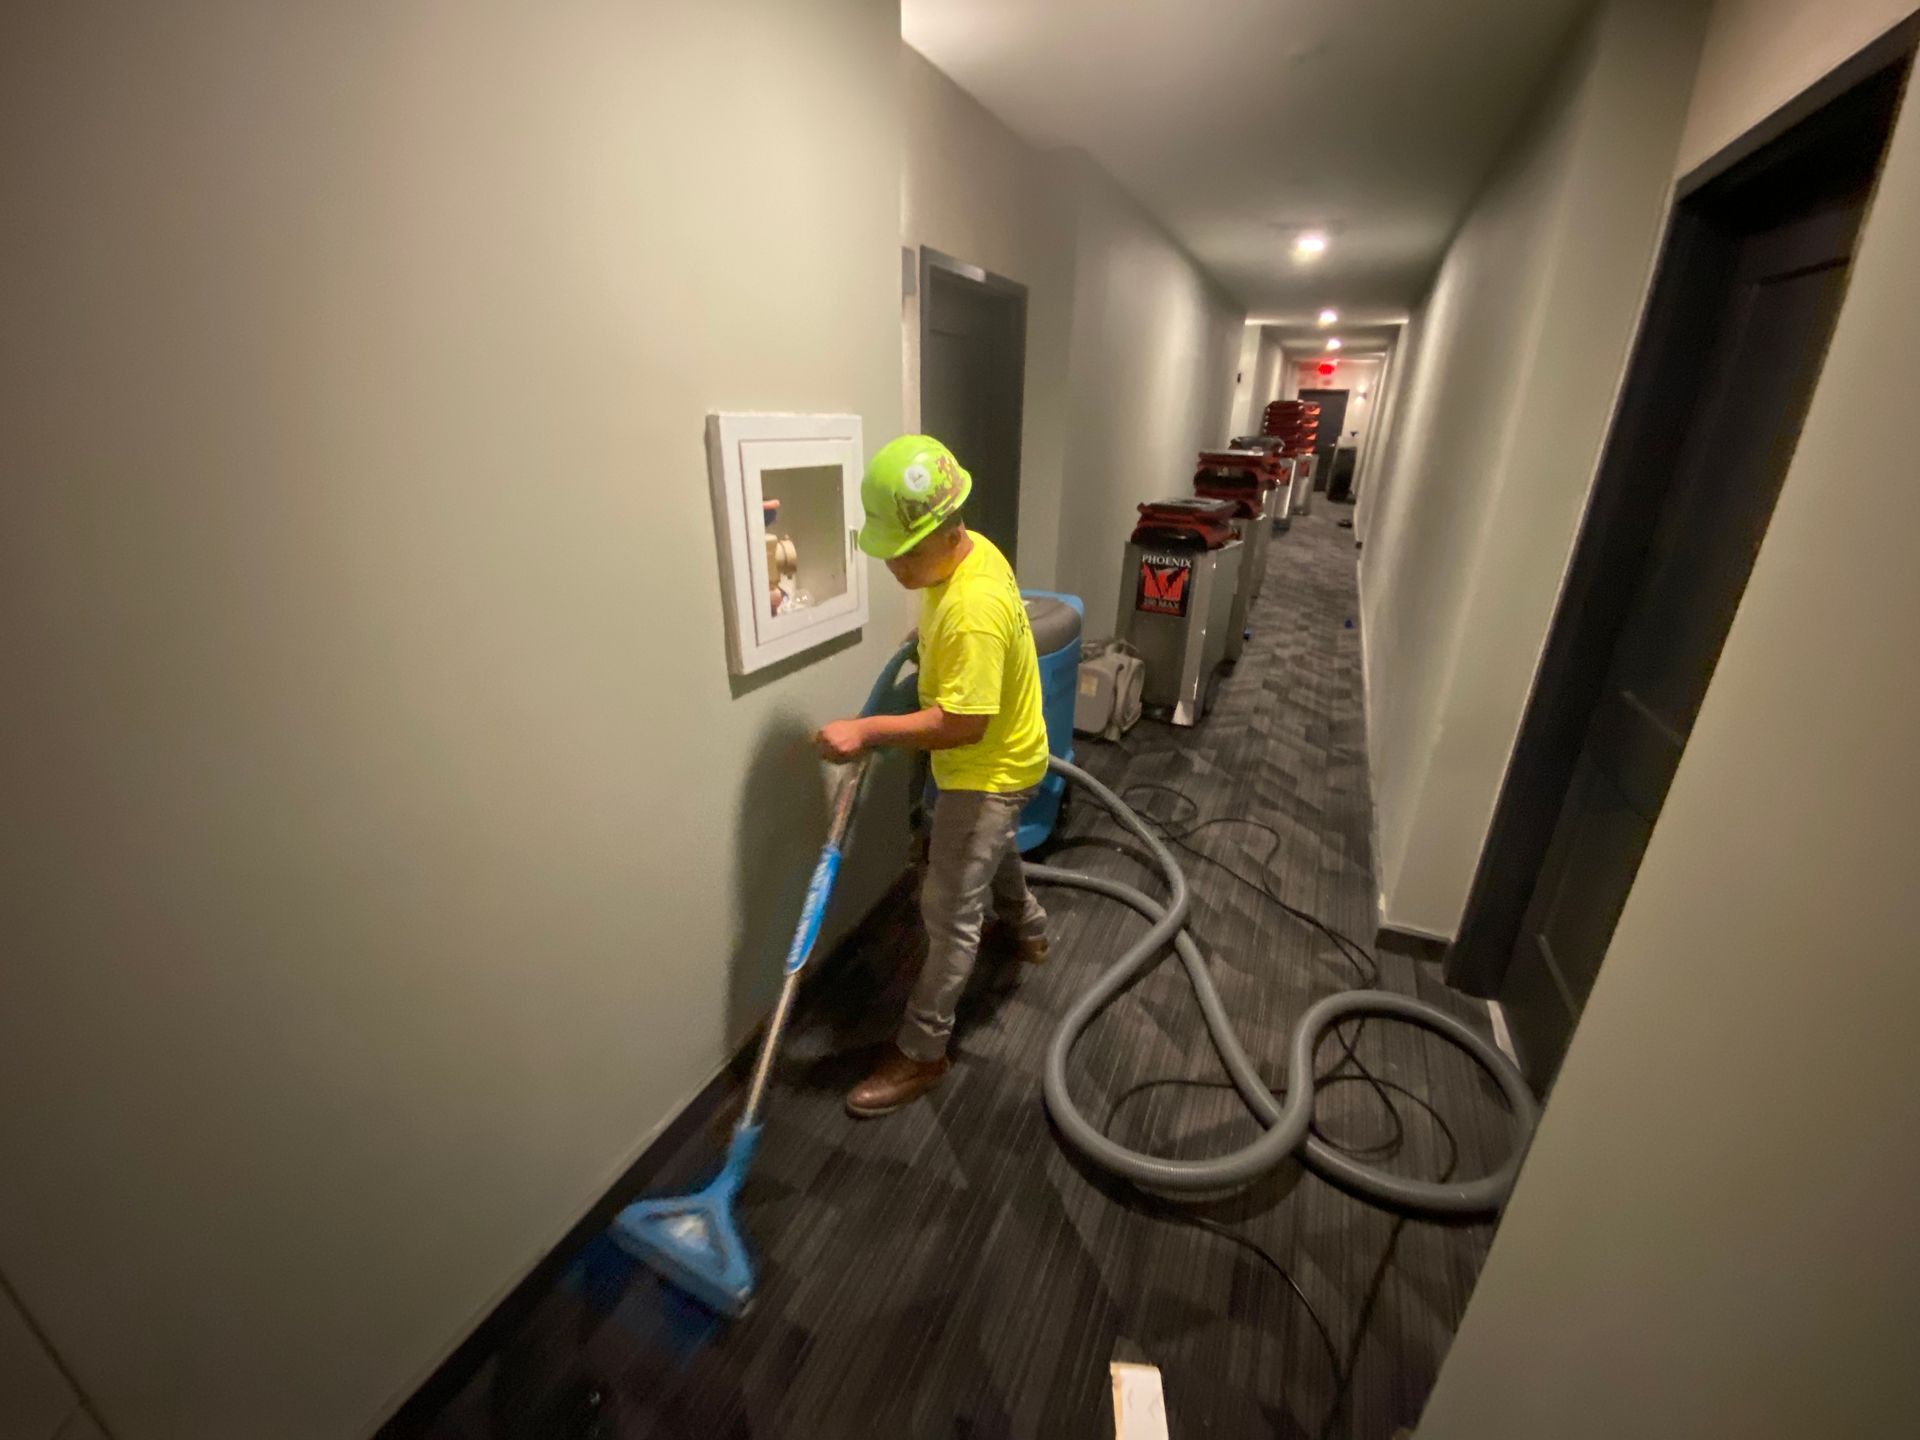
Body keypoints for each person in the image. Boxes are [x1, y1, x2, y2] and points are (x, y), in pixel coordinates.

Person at [815, 435, 1050, 1117]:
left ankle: (923, 1051)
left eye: (906, 552)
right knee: (987, 849)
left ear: (950, 532)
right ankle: (1030, 928)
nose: (893, 566)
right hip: (1005, 754)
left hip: (988, 766)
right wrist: (926, 643)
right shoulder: (972, 556)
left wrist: (867, 732)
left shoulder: (971, 612)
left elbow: (962, 724)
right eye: (889, 549)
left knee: (948, 909)